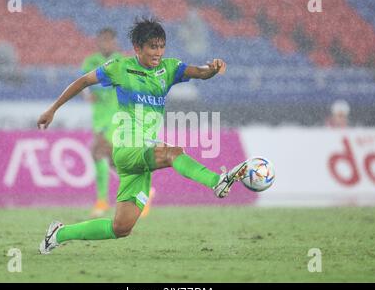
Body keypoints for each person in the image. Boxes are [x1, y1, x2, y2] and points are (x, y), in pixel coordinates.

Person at [37, 18, 246, 254]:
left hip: (141, 158)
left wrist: (213, 69)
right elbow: (84, 81)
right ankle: (216, 182)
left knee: (121, 228)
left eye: (161, 46)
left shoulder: (169, 68)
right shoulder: (120, 67)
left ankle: (59, 234)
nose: (157, 52)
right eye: (152, 47)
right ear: (137, 48)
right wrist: (52, 109)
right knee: (172, 153)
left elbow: (200, 72)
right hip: (127, 148)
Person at [81, 28, 156, 218]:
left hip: (117, 116)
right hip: (99, 116)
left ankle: (102, 201)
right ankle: (142, 193)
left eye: (109, 40)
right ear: (98, 41)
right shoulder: (90, 61)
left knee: (97, 151)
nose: (105, 44)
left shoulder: (122, 61)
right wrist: (87, 93)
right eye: (102, 40)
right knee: (112, 160)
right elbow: (83, 83)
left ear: (114, 42)